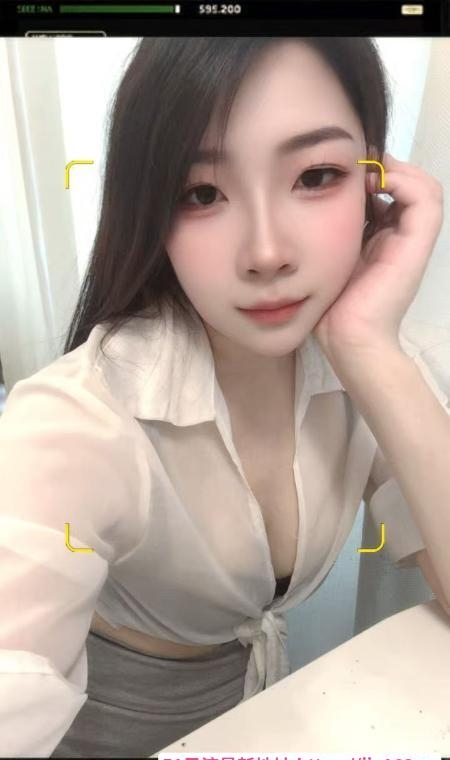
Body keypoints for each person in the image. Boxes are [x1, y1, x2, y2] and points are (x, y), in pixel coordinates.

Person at [0, 37, 441, 758]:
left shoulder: (366, 365)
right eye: (202, 193)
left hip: (260, 720)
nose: (266, 253)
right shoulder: (79, 417)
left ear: (376, 182)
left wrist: (369, 348)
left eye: (317, 175)